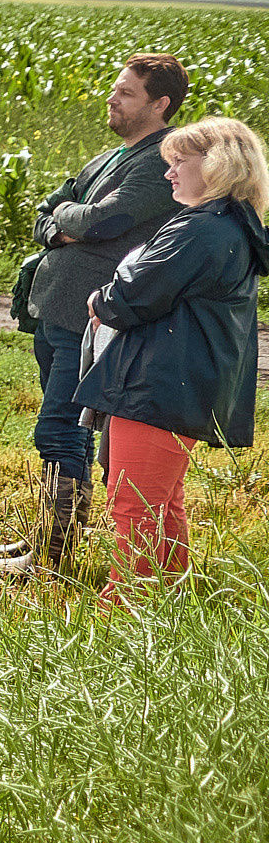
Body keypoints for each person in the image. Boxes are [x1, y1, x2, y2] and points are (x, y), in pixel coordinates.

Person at [0, 54, 188, 578]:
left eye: (126, 93)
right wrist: (63, 221)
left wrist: (68, 218)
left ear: (159, 104)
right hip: (58, 310)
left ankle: (53, 554)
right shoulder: (107, 158)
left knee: (59, 428)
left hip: (93, 318)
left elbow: (105, 221)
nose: (112, 98)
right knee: (68, 429)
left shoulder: (156, 161)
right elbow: (47, 210)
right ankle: (54, 536)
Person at [75, 117, 267, 600]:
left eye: (180, 161)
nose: (169, 173)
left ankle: (125, 620)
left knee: (133, 508)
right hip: (180, 387)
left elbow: (132, 297)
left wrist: (100, 300)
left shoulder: (202, 229)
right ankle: (171, 608)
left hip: (158, 386)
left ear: (220, 164)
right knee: (162, 507)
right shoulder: (230, 225)